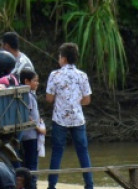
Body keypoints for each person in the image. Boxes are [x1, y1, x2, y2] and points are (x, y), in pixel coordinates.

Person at [45, 42, 93, 189]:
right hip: (78, 119)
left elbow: (49, 98)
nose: (59, 59)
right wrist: (76, 103)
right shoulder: (82, 75)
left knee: (57, 151)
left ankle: (51, 185)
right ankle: (89, 185)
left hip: (59, 119)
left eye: (59, 56)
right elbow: (87, 100)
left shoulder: (55, 75)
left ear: (64, 58)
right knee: (83, 152)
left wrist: (61, 99)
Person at [18, 69, 43, 184]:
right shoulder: (27, 95)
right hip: (30, 134)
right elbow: (27, 115)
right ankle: (32, 185)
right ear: (26, 81)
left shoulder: (26, 94)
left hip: (26, 135)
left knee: (26, 163)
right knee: (32, 164)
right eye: (35, 81)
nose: (37, 83)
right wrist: (38, 127)